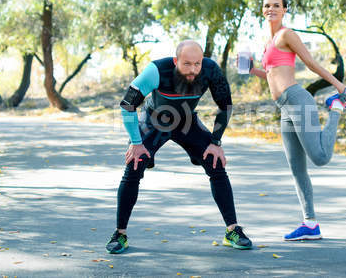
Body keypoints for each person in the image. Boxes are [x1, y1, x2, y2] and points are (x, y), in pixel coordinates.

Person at [106, 40, 253, 254]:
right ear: (176, 61)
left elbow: (226, 106)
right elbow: (127, 105)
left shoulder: (211, 69)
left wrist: (216, 142)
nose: (193, 69)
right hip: (154, 121)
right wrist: (136, 143)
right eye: (186, 64)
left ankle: (232, 230)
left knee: (216, 162)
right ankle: (120, 233)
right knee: (134, 165)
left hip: (186, 121)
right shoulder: (156, 70)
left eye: (197, 64)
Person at [247, 0, 346, 242]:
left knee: (319, 157)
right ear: (262, 10)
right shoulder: (268, 42)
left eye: (276, 5)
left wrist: (340, 87)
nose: (271, 9)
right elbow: (272, 76)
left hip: (299, 101)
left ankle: (336, 108)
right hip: (284, 108)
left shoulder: (287, 34)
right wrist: (251, 69)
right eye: (267, 5)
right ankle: (310, 224)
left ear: (285, 9)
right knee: (296, 168)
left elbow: (310, 63)